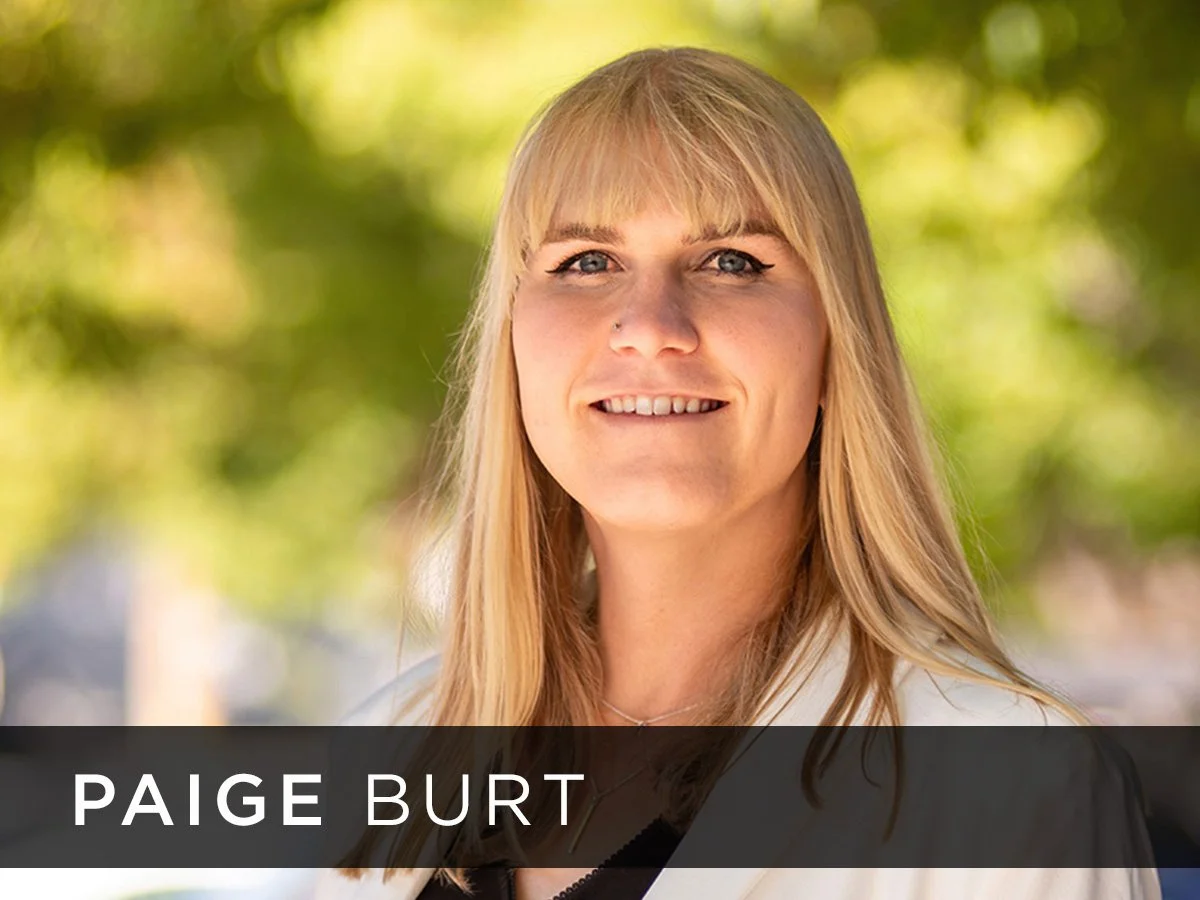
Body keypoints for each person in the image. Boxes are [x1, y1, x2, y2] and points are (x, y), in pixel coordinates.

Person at [319, 47, 1161, 899]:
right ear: (512, 340)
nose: (650, 326)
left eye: (730, 261)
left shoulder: (1013, 787)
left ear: (837, 340)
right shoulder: (389, 755)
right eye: (587, 261)